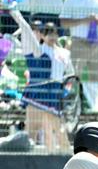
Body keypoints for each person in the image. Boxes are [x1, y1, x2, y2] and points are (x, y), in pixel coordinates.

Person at [10, 9, 74, 152]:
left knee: (59, 132)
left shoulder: (64, 53)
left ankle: (67, 163)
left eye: (54, 32)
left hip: (54, 95)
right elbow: (25, 29)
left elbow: (70, 75)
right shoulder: (39, 50)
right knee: (31, 133)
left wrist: (66, 90)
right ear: (42, 36)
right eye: (47, 33)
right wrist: (14, 12)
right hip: (38, 95)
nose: (51, 36)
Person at [59, 0, 98, 109]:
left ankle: (92, 106)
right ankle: (71, 106)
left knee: (95, 77)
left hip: (97, 43)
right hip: (78, 42)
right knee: (74, 76)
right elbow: (64, 22)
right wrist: (84, 20)